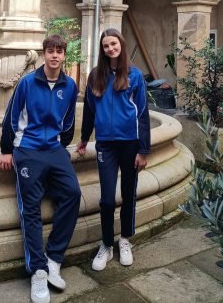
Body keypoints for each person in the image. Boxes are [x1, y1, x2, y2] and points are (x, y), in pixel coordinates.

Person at [0, 34, 81, 303]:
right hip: (28, 149)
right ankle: (38, 271)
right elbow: (11, 117)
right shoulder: (27, 82)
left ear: (64, 55)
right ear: (44, 54)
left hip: (54, 149)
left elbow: (69, 121)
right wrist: (6, 149)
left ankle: (54, 258)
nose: (55, 55)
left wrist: (60, 146)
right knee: (31, 208)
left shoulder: (69, 85)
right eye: (50, 51)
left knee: (73, 193)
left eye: (59, 51)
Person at [76, 28, 150, 271]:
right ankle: (107, 244)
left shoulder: (134, 75)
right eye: (106, 45)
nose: (110, 48)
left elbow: (142, 114)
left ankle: (125, 239)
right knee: (107, 199)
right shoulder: (95, 75)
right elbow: (89, 110)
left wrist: (143, 150)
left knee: (129, 193)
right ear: (102, 49)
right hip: (105, 145)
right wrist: (84, 138)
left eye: (114, 44)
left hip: (130, 143)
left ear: (121, 44)